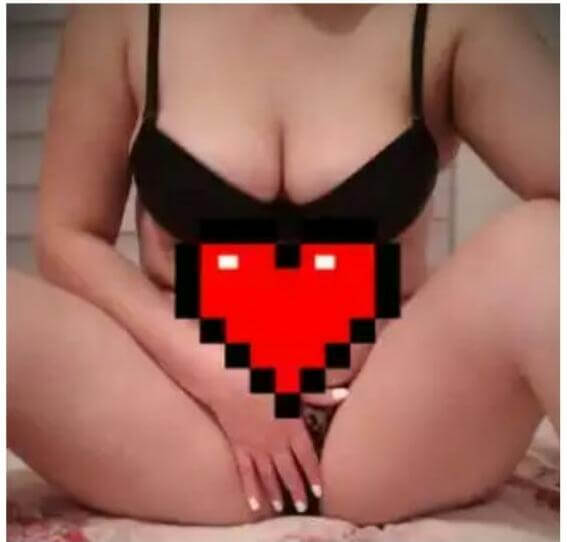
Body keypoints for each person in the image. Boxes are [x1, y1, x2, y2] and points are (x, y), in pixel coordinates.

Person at [7, 3, 558, 526]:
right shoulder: (123, 14)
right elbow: (67, 236)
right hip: (188, 422)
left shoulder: (447, 17)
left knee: (545, 241)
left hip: (387, 424)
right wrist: (215, 374)